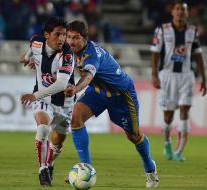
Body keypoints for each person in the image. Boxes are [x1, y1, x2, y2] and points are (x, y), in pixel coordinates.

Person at [65, 20, 159, 188]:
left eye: (76, 38)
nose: (72, 41)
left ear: (85, 38)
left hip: (121, 96)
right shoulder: (71, 49)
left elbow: (87, 77)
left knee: (134, 136)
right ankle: (86, 169)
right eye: (69, 37)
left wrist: (76, 89)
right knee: (76, 119)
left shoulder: (92, 54)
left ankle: (150, 169)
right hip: (98, 92)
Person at [20, 17, 75, 187]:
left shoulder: (67, 54)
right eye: (57, 34)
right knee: (43, 127)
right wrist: (27, 57)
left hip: (65, 104)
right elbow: (31, 48)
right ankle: (43, 169)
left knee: (57, 143)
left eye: (64, 35)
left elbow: (60, 84)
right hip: (44, 98)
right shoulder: (36, 41)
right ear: (46, 35)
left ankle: (50, 163)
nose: (61, 39)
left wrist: (33, 96)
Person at [150, 0, 206, 162]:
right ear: (172, 12)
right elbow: (154, 53)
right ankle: (167, 142)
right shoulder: (162, 30)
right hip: (167, 75)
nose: (180, 12)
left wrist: (204, 77)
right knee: (168, 116)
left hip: (187, 76)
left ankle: (179, 152)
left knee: (184, 112)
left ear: (187, 13)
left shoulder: (193, 31)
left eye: (183, 9)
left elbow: (198, 54)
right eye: (178, 9)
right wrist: (154, 75)